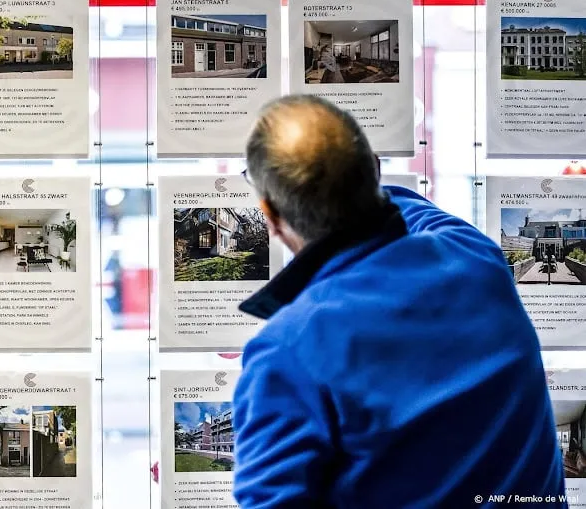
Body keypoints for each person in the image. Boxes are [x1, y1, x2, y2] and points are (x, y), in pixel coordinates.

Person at [231, 94, 565, 508]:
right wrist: (351, 179)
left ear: (269, 215)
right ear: (373, 169)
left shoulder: (287, 351)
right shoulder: (475, 256)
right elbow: (409, 208)